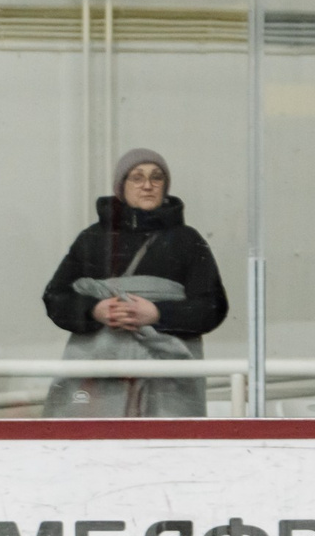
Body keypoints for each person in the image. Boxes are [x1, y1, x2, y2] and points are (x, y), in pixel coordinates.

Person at [41, 148, 228, 417]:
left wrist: (157, 313)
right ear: (122, 186)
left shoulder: (187, 240)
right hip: (98, 378)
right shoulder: (93, 238)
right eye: (137, 178)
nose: (148, 185)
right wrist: (96, 310)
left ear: (165, 186)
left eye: (156, 177)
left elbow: (213, 307)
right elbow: (55, 298)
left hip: (166, 381)